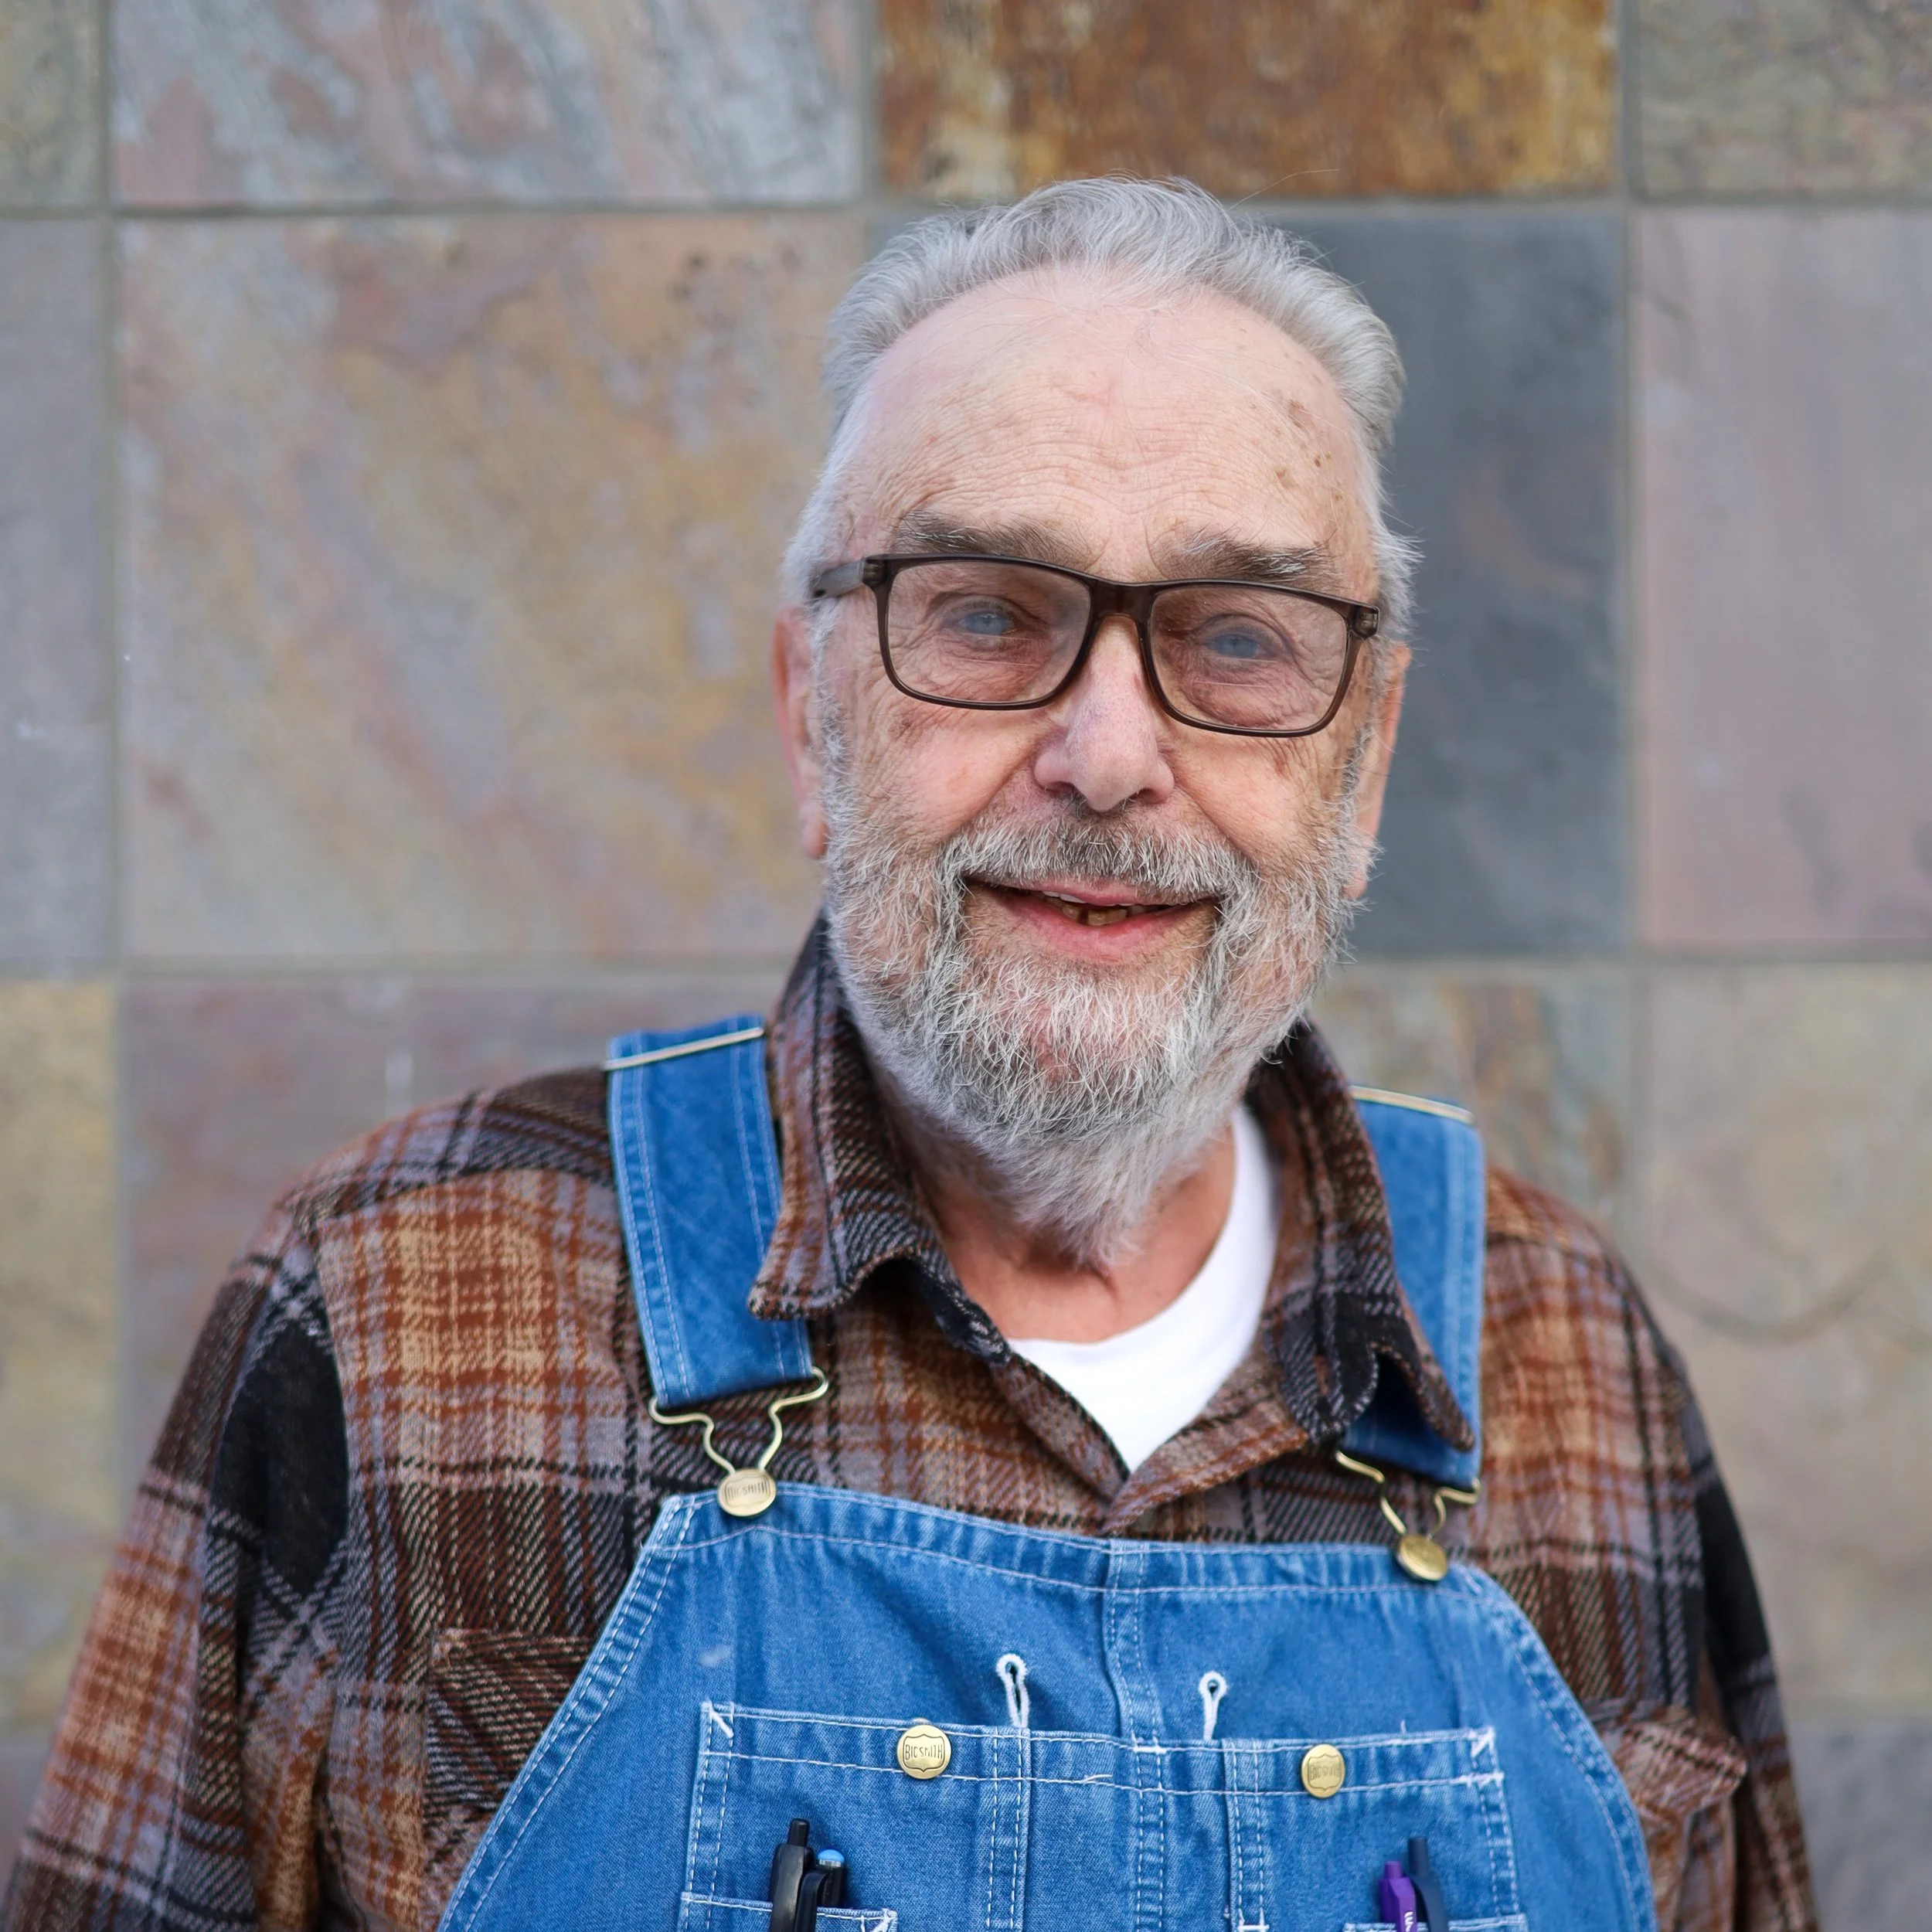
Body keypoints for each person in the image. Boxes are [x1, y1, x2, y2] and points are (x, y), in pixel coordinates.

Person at [5, 179, 1814, 1932]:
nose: (1107, 753)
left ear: (1361, 761)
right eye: (986, 613)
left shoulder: (1564, 1350)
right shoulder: (399, 1300)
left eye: (1237, 636)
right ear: (813, 713)